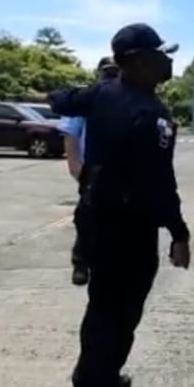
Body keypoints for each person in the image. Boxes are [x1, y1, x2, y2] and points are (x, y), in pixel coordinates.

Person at [47, 22, 192, 387]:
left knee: (103, 308)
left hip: (97, 215)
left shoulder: (102, 93)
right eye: (162, 53)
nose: (168, 60)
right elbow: (161, 181)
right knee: (119, 312)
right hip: (129, 225)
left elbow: (60, 99)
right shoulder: (150, 113)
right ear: (138, 60)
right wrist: (179, 233)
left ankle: (97, 383)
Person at [58, 56, 120, 286]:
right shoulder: (87, 98)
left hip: (123, 171)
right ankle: (81, 263)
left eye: (115, 70)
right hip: (92, 170)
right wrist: (75, 167)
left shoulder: (128, 98)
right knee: (86, 218)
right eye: (107, 71)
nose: (111, 75)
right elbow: (71, 134)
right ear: (99, 72)